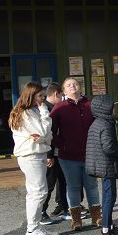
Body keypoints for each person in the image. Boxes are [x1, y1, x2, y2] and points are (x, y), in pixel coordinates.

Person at [51, 77, 101, 232]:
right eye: (68, 85)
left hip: (90, 155)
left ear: (80, 87)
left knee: (92, 186)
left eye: (75, 84)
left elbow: (100, 125)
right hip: (68, 157)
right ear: (64, 91)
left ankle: (96, 217)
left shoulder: (90, 104)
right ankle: (76, 220)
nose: (72, 86)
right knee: (73, 187)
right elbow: (51, 131)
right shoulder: (59, 107)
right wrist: (62, 145)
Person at [9, 82, 57, 235]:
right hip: (31, 155)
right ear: (31, 96)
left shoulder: (28, 112)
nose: (43, 99)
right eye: (40, 96)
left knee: (36, 191)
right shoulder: (27, 113)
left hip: (35, 154)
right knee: (39, 191)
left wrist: (43, 137)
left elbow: (46, 136)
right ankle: (32, 229)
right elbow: (43, 132)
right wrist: (44, 112)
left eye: (43, 95)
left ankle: (34, 226)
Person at [85, 95, 118, 235]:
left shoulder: (98, 122)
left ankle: (109, 226)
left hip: (102, 165)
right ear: (105, 108)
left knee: (108, 196)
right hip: (106, 166)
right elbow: (109, 147)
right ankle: (106, 230)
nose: (115, 109)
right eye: (113, 106)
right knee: (109, 197)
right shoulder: (105, 124)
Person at [40, 81, 67, 224]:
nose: (62, 99)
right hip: (50, 153)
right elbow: (47, 135)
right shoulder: (46, 110)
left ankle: (63, 206)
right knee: (49, 183)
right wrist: (49, 155)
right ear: (56, 94)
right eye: (61, 96)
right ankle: (41, 211)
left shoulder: (52, 108)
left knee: (62, 180)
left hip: (58, 152)